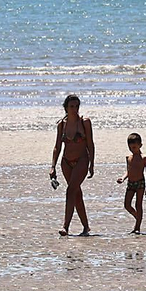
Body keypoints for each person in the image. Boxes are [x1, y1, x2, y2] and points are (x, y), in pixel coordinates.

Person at [49, 94, 94, 237]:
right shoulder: (61, 125)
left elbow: (90, 144)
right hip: (66, 162)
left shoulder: (85, 122)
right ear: (66, 108)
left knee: (70, 191)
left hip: (81, 159)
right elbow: (57, 147)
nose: (75, 109)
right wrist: (53, 166)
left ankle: (65, 226)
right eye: (71, 106)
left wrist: (92, 163)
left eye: (76, 106)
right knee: (76, 194)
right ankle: (86, 227)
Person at [117, 132, 146, 234]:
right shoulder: (129, 158)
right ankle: (137, 217)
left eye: (135, 147)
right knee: (127, 205)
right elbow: (128, 171)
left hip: (140, 183)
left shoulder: (144, 158)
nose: (132, 149)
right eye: (130, 147)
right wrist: (122, 178)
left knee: (138, 204)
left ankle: (137, 227)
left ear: (140, 145)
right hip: (130, 183)